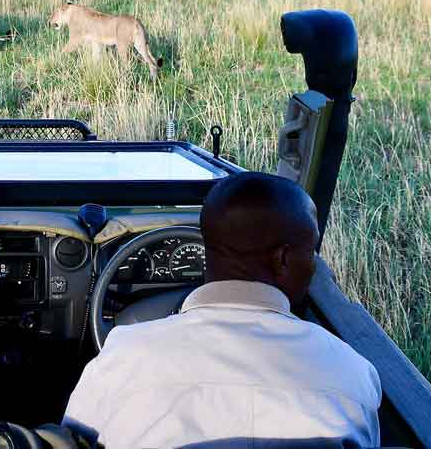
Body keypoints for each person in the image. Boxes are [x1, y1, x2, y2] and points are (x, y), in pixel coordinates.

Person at [63, 172, 381, 449]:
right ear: (283, 259)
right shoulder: (353, 373)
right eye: (312, 252)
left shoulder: (122, 357)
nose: (313, 265)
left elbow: (72, 438)